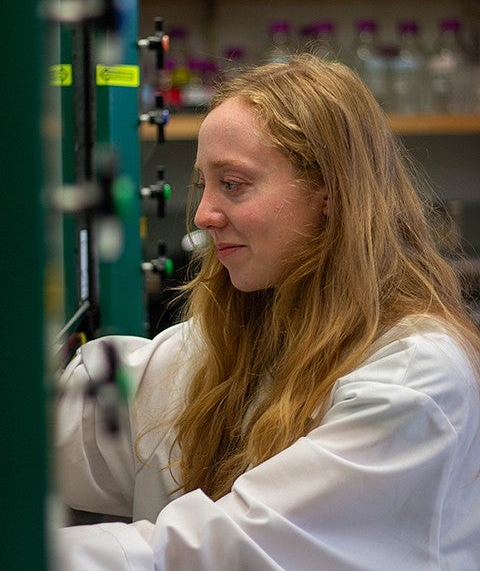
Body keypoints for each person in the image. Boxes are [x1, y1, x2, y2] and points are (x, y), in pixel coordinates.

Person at [55, 53, 480, 570]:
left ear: (328, 193)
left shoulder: (414, 381)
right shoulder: (239, 336)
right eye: (204, 185)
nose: (203, 215)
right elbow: (90, 425)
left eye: (231, 184)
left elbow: (225, 551)